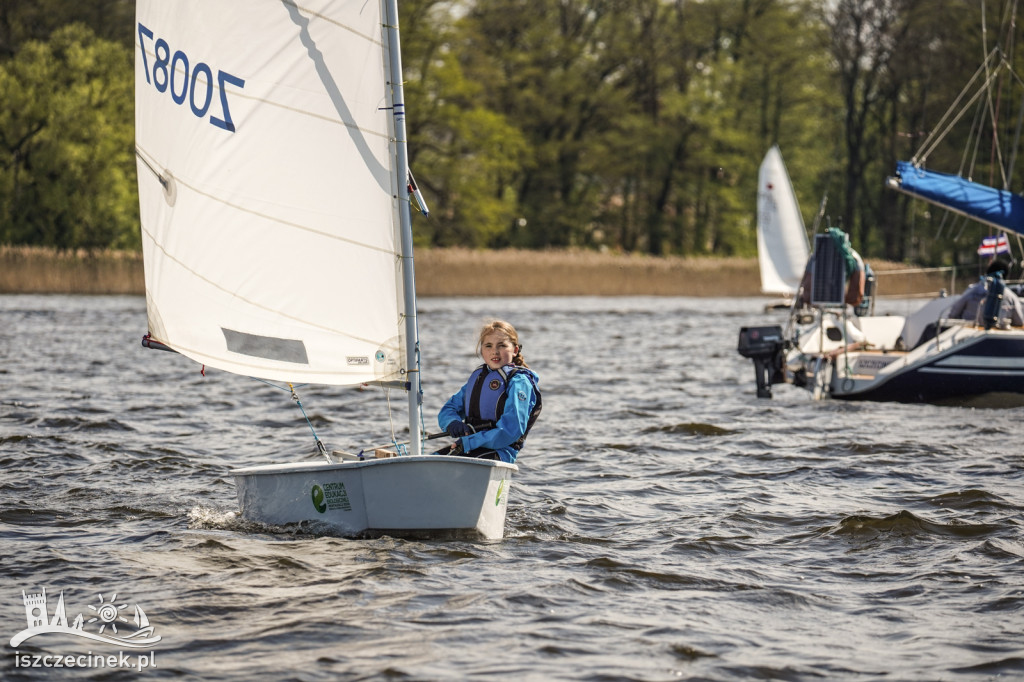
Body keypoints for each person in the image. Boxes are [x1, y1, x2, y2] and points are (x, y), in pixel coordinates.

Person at [436, 320, 541, 463]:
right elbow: (449, 408)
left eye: (502, 345)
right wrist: (452, 423)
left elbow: (511, 430)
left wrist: (470, 442)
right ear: (481, 350)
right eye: (488, 346)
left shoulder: (519, 382)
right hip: (470, 447)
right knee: (427, 460)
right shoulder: (479, 377)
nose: (494, 351)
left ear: (515, 350)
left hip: (500, 452)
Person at [948, 258, 1024, 327]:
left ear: (988, 272)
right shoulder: (1011, 297)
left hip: (968, 334)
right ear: (1005, 276)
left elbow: (953, 314)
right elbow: (1019, 322)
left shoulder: (972, 290)